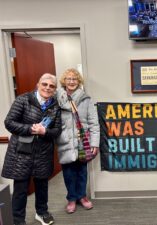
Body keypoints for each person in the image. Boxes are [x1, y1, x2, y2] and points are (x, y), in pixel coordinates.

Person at [1, 73, 62, 225]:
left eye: (51, 86)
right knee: (21, 189)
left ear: (55, 89)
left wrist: (45, 132)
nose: (47, 88)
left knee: (42, 186)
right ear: (38, 84)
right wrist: (30, 129)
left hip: (43, 153)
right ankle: (18, 220)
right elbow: (9, 122)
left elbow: (57, 130)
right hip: (22, 153)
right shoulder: (23, 99)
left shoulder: (55, 106)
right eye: (45, 84)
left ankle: (42, 213)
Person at [56, 68, 100, 214]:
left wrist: (94, 143)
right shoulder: (57, 98)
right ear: (64, 81)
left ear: (79, 81)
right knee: (68, 172)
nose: (71, 81)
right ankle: (71, 198)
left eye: (74, 79)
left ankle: (82, 196)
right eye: (68, 78)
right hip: (65, 141)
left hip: (83, 141)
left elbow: (94, 122)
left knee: (82, 171)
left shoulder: (86, 99)